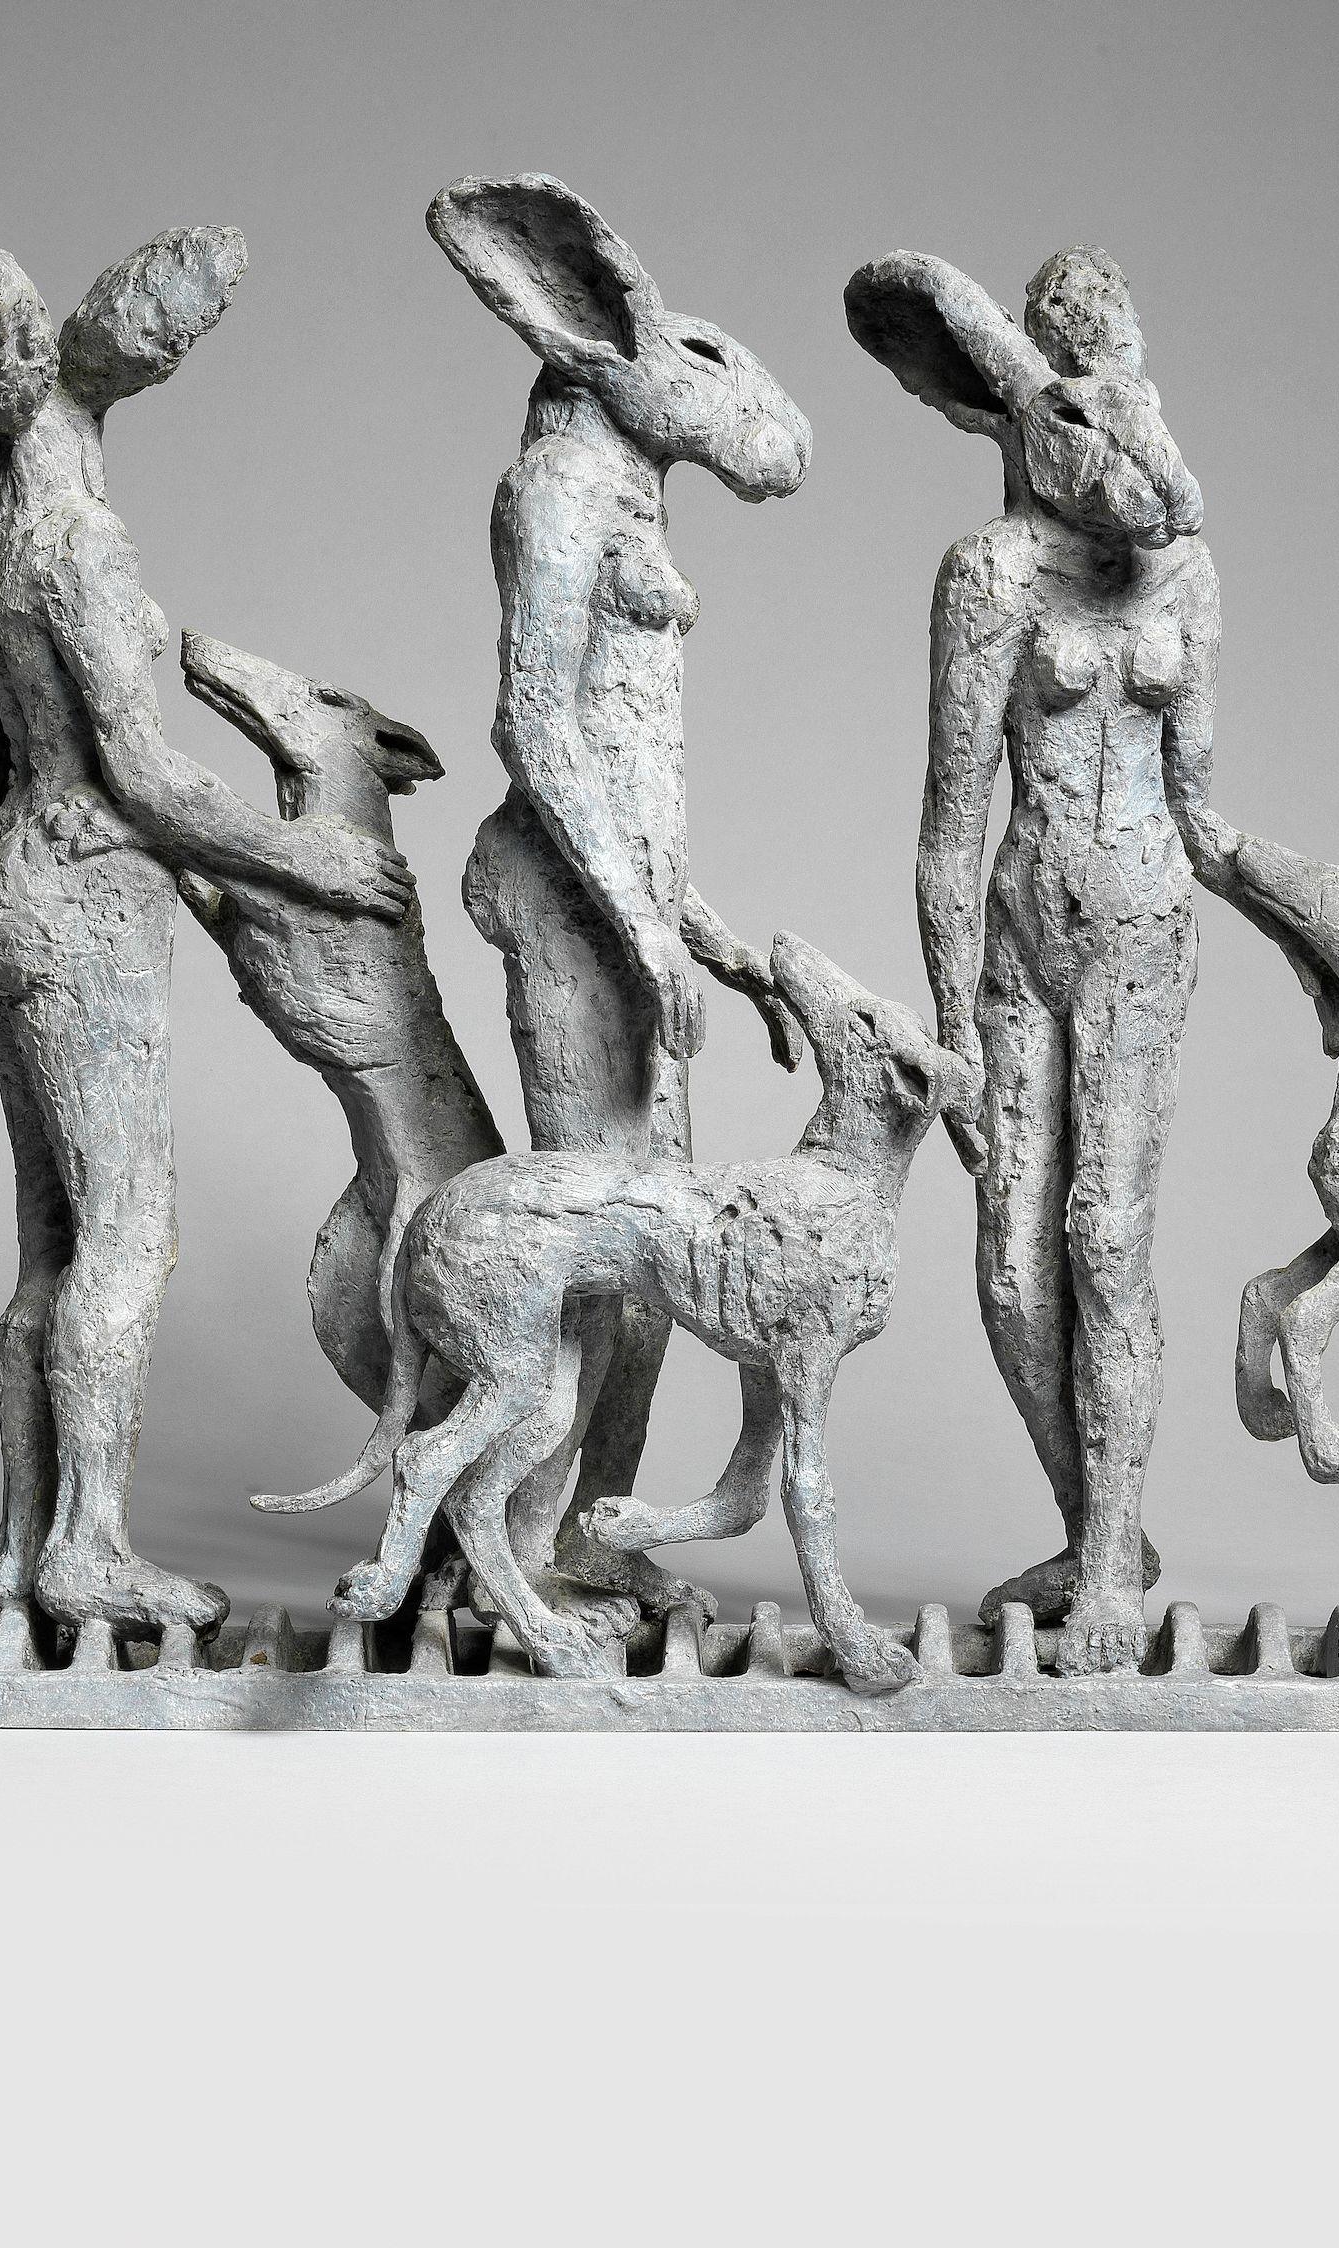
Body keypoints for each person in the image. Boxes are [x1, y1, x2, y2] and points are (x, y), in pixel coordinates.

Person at [0, 225, 410, 1638]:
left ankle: (24, 1553)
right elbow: (139, 777)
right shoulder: (79, 542)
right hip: (88, 897)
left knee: (52, 1244)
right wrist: (311, 858)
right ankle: (86, 1548)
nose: (167, 336)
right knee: (128, 1238)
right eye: (170, 320)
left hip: (13, 888)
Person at [847, 243, 1234, 1673]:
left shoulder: (1186, 576)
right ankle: (1097, 1528)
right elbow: (951, 821)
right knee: (1012, 1267)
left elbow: (1202, 811)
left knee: (1104, 1238)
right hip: (1022, 936)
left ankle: (1115, 1564)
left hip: (1143, 931)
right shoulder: (991, 575)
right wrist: (950, 1022)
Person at [427, 175, 810, 1606]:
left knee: (661, 1241)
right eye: (700, 363)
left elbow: (635, 767)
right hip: (572, 907)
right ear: (600, 343)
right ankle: (511, 1556)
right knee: (591, 1238)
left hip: (634, 905)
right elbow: (535, 723)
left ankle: (592, 1528)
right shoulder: (558, 491)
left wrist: (708, 936)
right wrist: (647, 935)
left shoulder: (633, 494)